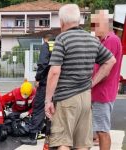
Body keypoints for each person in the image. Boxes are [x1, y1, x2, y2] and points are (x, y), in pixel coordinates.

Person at [44, 4, 116, 150]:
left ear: (62, 22)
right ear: (78, 20)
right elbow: (110, 60)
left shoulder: (62, 39)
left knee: (62, 142)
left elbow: (54, 72)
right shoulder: (91, 40)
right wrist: (92, 82)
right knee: (82, 144)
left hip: (66, 99)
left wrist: (47, 100)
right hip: (86, 99)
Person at [91, 10, 122, 150]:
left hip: (102, 93)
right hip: (100, 92)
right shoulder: (104, 40)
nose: (93, 28)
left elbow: (105, 67)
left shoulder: (111, 40)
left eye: (96, 25)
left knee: (103, 131)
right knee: (99, 129)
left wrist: (91, 83)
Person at [21, 34, 53, 145]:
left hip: (45, 83)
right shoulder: (61, 45)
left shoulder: (47, 45)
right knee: (54, 110)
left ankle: (32, 136)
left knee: (39, 108)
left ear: (45, 38)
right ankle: (51, 136)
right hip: (59, 83)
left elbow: (43, 64)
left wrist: (38, 78)